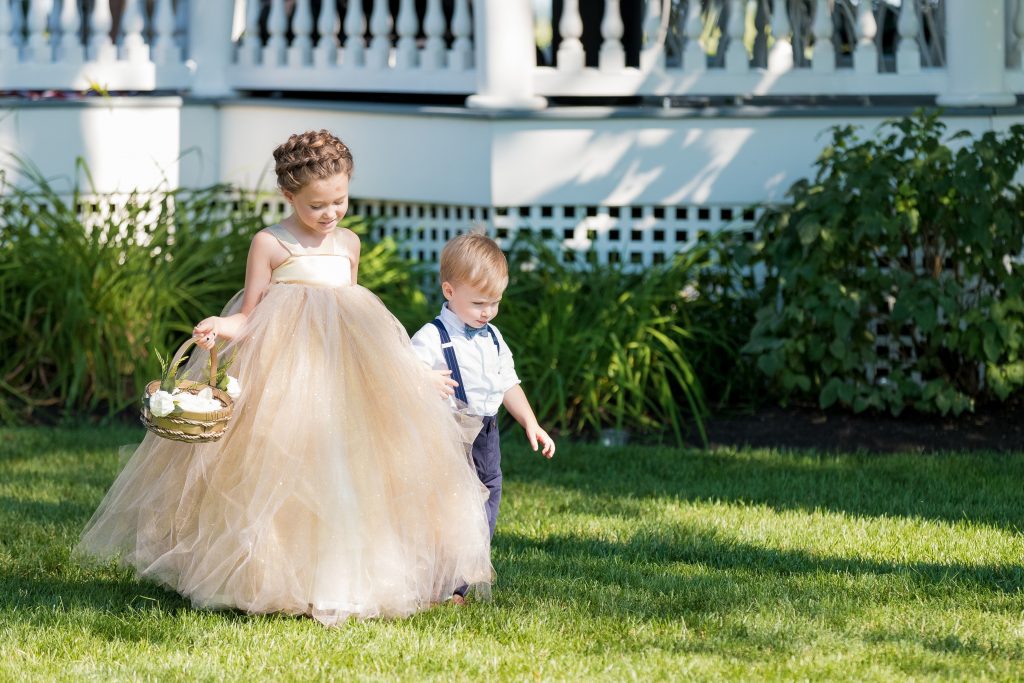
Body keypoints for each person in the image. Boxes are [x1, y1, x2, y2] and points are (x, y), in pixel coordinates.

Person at [76, 130, 493, 625]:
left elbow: (366, 328)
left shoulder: (348, 244)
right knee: (283, 471)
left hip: (346, 377)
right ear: (288, 195)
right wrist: (220, 326)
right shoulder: (270, 244)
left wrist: (411, 375)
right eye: (317, 204)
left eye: (339, 200)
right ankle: (276, 577)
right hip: (285, 374)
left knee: (353, 467)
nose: (330, 213)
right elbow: (249, 315)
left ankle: (353, 579)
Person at [410, 232, 555, 603]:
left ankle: (463, 574)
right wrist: (423, 377)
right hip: (449, 434)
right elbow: (400, 374)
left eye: (495, 302)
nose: (487, 311)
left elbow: (508, 384)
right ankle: (445, 584)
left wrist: (531, 423)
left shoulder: (493, 338)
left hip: (486, 436)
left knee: (487, 502)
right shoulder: (432, 337)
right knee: (449, 507)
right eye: (478, 303)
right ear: (449, 290)